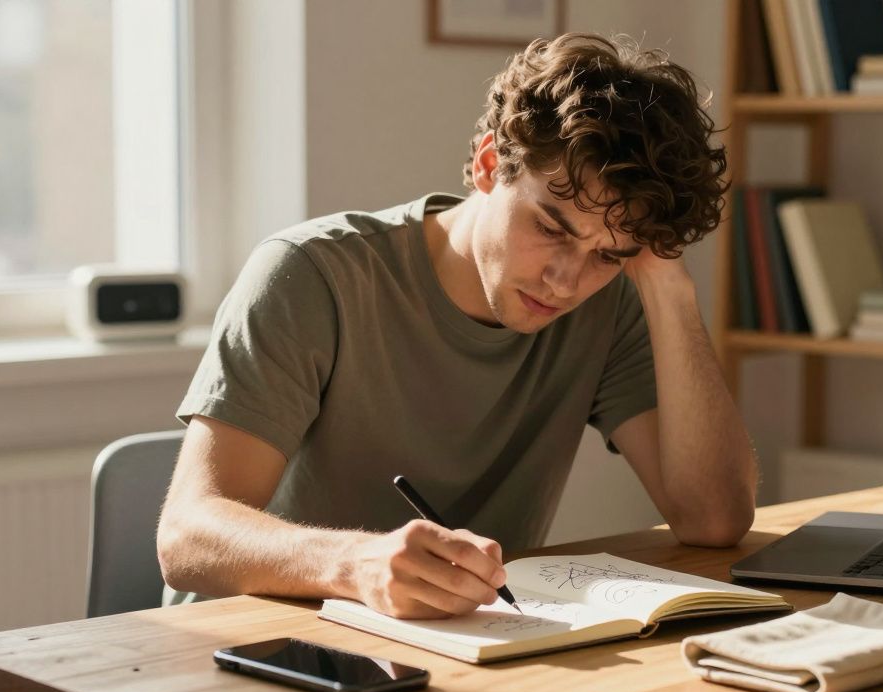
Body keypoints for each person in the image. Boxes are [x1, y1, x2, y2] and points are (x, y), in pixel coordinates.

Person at [157, 33, 757, 619]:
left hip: (449, 642)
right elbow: (187, 537)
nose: (565, 282)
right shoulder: (312, 275)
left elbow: (713, 520)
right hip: (246, 644)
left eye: (609, 253)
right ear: (490, 164)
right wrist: (355, 563)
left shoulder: (610, 304)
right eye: (551, 228)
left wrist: (668, 286)